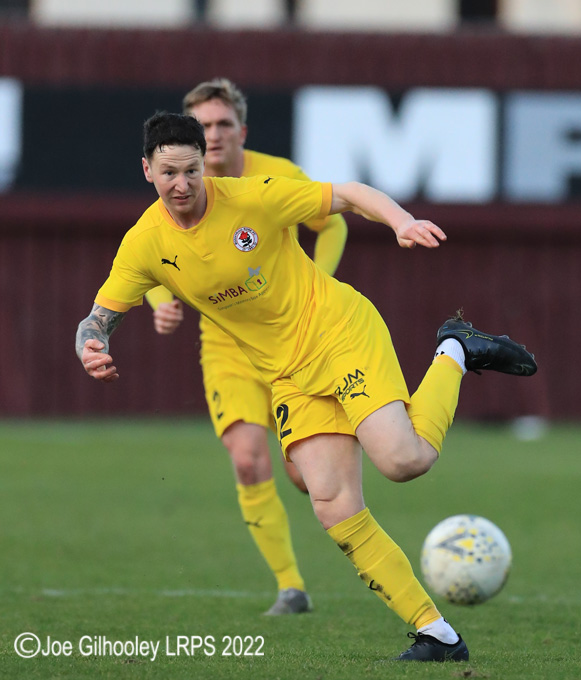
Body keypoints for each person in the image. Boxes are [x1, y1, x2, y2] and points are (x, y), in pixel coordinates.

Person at [76, 111, 537, 662]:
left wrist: (400, 221)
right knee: (333, 505)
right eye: (169, 172)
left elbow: (347, 195)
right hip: (288, 375)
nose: (181, 185)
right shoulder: (144, 243)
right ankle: (436, 634)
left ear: (206, 166)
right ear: (147, 169)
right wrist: (92, 345)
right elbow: (99, 316)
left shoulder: (252, 198)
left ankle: (455, 348)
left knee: (403, 461)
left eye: (192, 171)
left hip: (338, 333)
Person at [145, 78, 348, 616]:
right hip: (228, 344)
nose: (212, 135)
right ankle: (290, 587)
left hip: (291, 339)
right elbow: (152, 252)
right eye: (202, 126)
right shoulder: (181, 185)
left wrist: (319, 283)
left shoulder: (276, 175)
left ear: (241, 131)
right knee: (246, 458)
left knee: (304, 475)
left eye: (221, 125)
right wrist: (160, 300)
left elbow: (332, 225)